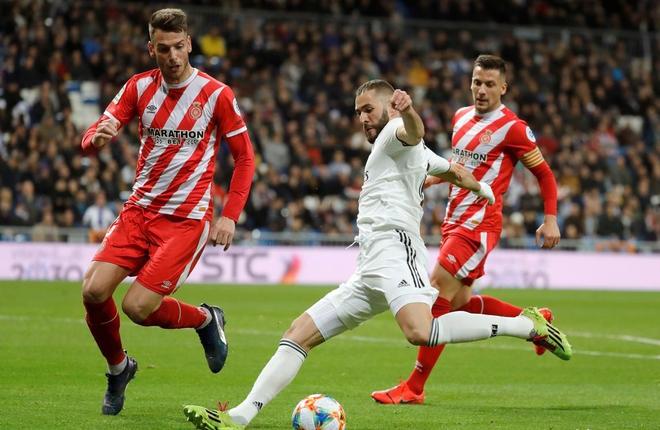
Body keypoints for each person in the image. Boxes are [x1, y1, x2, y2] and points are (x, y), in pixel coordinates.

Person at [181, 80, 571, 430]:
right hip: (369, 265)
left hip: (397, 251)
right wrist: (482, 190)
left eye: (368, 109)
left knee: (420, 331)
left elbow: (412, 132)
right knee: (298, 334)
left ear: (388, 107)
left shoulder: (393, 133)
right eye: (358, 112)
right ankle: (239, 417)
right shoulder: (417, 154)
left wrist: (409, 112)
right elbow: (455, 171)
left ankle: (526, 326)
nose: (363, 118)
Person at [80, 8, 255, 416]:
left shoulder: (216, 95)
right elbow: (94, 131)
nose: (173, 56)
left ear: (189, 44)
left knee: (137, 307)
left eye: (179, 46)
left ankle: (205, 319)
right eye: (164, 49)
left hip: (186, 220)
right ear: (151, 49)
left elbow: (245, 158)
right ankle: (119, 368)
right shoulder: (138, 87)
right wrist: (95, 140)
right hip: (139, 212)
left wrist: (230, 214)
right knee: (92, 291)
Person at [371, 54, 563, 405]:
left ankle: (414, 387)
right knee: (461, 304)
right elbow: (460, 164)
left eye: (490, 84)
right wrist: (434, 177)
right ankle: (532, 322)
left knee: (436, 294)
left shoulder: (513, 128)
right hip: (453, 220)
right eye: (477, 82)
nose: (482, 90)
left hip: (479, 224)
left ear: (503, 88)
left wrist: (550, 218)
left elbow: (545, 174)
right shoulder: (460, 116)